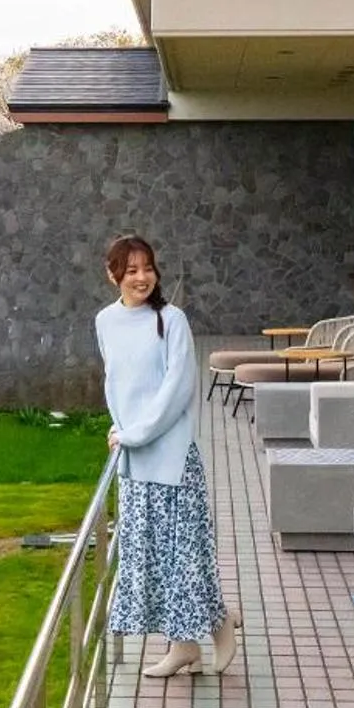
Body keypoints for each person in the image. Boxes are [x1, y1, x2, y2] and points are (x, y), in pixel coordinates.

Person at [97, 234, 239, 678]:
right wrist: (119, 428)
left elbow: (177, 390)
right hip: (134, 462)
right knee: (154, 560)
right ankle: (184, 647)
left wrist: (134, 433)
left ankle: (219, 624)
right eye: (131, 270)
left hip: (173, 459)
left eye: (148, 268)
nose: (142, 277)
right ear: (113, 275)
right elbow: (116, 382)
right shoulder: (105, 321)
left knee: (185, 557)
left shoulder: (171, 320)